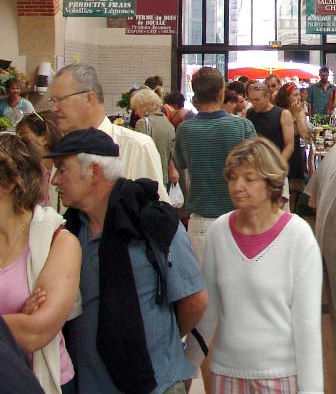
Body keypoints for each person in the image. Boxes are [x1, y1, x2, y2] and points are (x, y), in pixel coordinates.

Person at [48, 128, 208, 394]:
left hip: (153, 383)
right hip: (87, 384)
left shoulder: (152, 222)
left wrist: (150, 340)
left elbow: (195, 301)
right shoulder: (71, 231)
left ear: (94, 172)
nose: (54, 180)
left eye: (62, 169)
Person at [188, 138, 323, 393]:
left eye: (249, 179)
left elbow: (307, 327)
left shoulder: (298, 237)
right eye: (233, 178)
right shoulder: (219, 232)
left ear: (271, 183)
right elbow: (207, 313)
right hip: (226, 375)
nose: (238, 187)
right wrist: (185, 367)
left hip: (281, 378)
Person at [0, 132, 80, 394]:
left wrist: (17, 323)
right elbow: (24, 328)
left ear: (10, 182)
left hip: (35, 382)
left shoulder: (57, 241)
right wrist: (16, 321)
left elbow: (37, 331)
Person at [47, 63, 168, 201]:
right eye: (52, 101)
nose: (54, 108)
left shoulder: (136, 147)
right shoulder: (63, 151)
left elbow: (158, 217)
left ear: (89, 98)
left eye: (60, 100)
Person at [174, 67, 256, 265]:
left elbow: (180, 164)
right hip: (239, 219)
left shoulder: (185, 130)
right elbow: (258, 170)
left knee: (204, 291)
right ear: (221, 93)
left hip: (201, 224)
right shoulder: (242, 127)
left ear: (195, 95)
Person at [274, 83, 311, 211]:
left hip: (297, 149)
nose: (298, 98)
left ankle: (292, 212)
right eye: (294, 95)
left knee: (295, 187)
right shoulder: (279, 111)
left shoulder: (300, 112)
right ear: (287, 97)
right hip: (282, 148)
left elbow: (304, 134)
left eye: (298, 95)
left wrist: (296, 116)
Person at [131, 87, 176, 190]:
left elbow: (138, 153)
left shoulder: (143, 123)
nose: (136, 113)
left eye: (136, 108)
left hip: (147, 177)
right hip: (163, 177)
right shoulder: (168, 124)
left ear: (144, 106)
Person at [16, 111, 63, 210]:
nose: (20, 144)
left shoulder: (66, 170)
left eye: (24, 138)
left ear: (45, 138)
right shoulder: (24, 172)